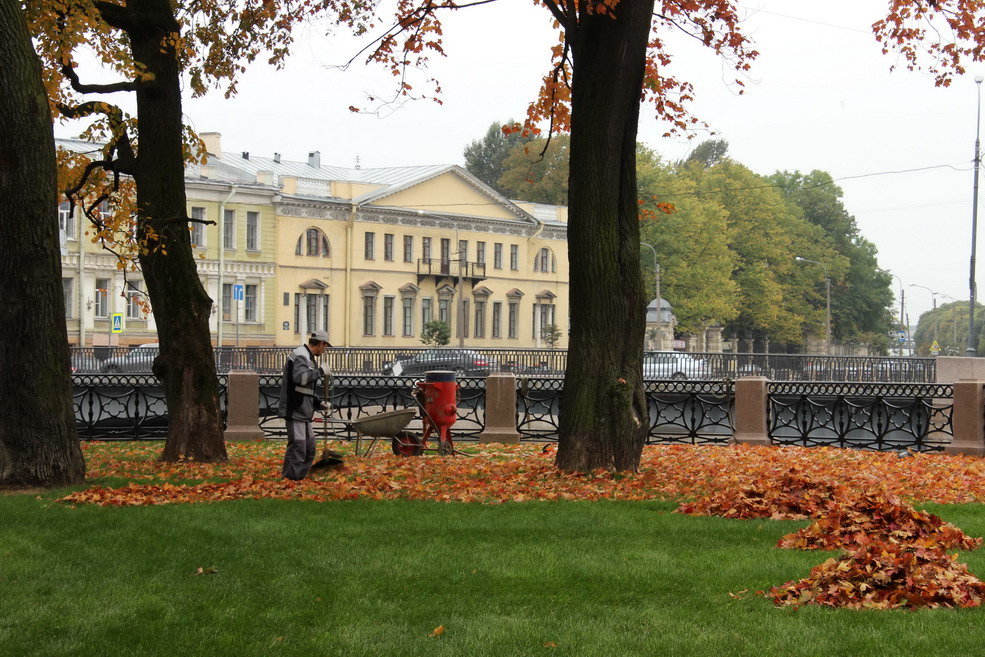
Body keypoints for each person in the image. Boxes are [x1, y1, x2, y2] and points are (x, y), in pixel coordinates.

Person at [278, 330, 331, 480]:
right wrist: (320, 371)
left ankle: (299, 478)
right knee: (299, 447)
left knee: (309, 448)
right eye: (325, 347)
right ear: (321, 344)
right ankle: (290, 480)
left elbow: (304, 389)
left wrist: (319, 403)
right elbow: (300, 379)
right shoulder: (301, 355)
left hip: (303, 412)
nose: (324, 350)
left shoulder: (308, 356)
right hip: (295, 410)